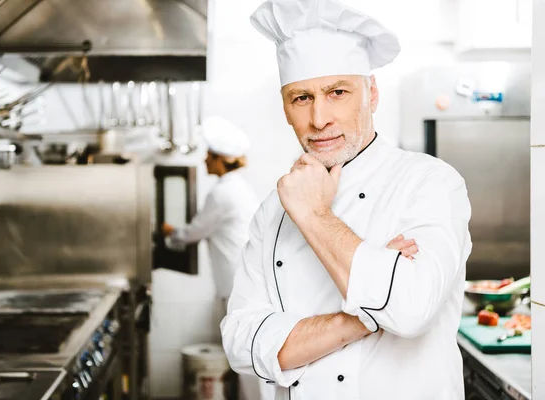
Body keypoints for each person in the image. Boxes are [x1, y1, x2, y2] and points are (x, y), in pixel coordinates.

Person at [220, 1, 472, 399]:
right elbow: (240, 342)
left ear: (371, 94)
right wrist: (357, 319)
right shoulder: (273, 210)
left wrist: (315, 215)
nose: (319, 119)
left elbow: (409, 310)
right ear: (285, 107)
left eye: (337, 92)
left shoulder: (430, 183)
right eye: (301, 98)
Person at [162, 116, 274, 400]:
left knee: (248, 361)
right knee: (249, 359)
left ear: (220, 160)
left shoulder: (223, 193)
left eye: (208, 157)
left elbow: (192, 233)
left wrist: (168, 233)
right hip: (245, 284)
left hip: (240, 288)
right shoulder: (236, 187)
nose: (204, 162)